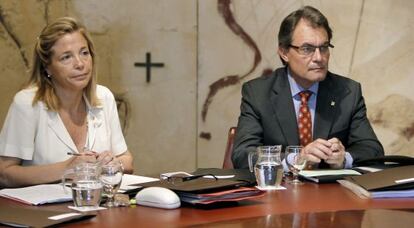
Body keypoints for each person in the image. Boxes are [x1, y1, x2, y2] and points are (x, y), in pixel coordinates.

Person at [232, 6, 384, 169]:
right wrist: (295, 159)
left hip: (331, 192)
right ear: (284, 52)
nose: (319, 57)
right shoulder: (258, 93)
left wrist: (344, 158)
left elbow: (373, 150)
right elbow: (243, 154)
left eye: (324, 47)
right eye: (307, 49)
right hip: (280, 190)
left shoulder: (348, 92)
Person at [0, 17, 133, 188]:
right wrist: (67, 169)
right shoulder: (27, 103)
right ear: (47, 67)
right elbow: (4, 173)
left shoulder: (103, 96)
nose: (80, 64)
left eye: (84, 53)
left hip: (98, 204)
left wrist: (113, 163)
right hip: (40, 212)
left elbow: (127, 161)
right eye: (66, 57)